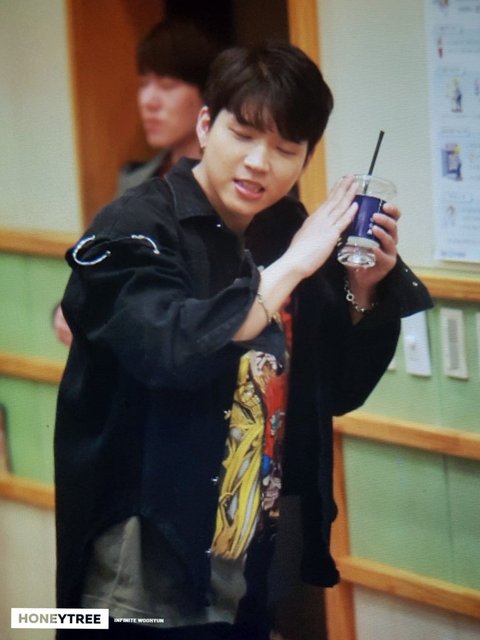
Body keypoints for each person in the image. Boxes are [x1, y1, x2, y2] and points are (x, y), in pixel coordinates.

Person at [54, 42, 432, 639]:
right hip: (145, 549)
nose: (260, 163)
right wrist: (292, 266)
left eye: (285, 149)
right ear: (207, 126)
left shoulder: (286, 227)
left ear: (305, 159)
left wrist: (363, 290)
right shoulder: (136, 224)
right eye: (244, 135)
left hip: (251, 539)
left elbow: (334, 389)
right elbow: (171, 350)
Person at [52, 18, 220, 346]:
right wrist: (72, 307)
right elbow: (106, 276)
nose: (149, 101)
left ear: (206, 95)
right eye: (144, 84)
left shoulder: (230, 186)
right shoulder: (137, 181)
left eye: (167, 85)